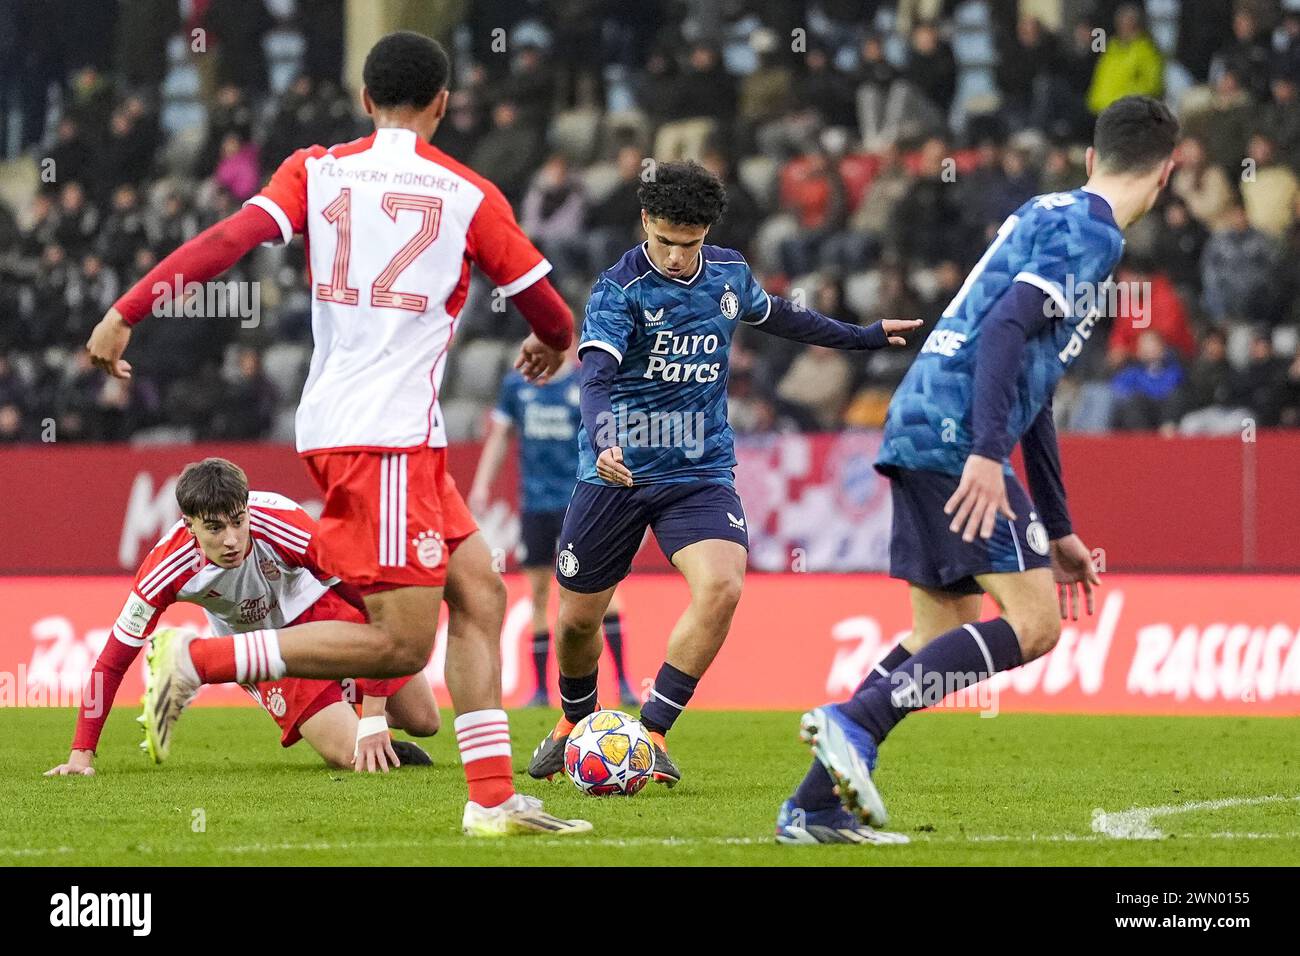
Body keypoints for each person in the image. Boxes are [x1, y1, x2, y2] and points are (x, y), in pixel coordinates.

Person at [83, 31, 587, 837]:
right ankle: (204, 658)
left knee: (481, 592)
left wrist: (124, 311)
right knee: (398, 647)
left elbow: (223, 244)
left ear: (364, 100)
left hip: (374, 432)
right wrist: (554, 344)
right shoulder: (468, 192)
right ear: (443, 105)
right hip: (382, 436)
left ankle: (493, 799)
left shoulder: (314, 170)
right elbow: (552, 311)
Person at [775, 95, 1179, 845]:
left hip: (923, 415)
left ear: (1092, 159)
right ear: (1167, 175)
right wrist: (987, 454)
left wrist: (1057, 527)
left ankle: (812, 808)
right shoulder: (1093, 236)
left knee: (942, 631)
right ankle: (851, 723)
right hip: (959, 432)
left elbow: (1039, 383)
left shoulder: (1045, 210)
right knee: (1035, 626)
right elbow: (1003, 327)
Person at [525, 160, 921, 789]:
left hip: (700, 470)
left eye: (692, 244)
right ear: (645, 222)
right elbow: (596, 378)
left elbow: (784, 316)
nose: (680, 258)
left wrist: (863, 336)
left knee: (723, 587)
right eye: (667, 243)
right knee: (575, 622)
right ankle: (574, 722)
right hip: (616, 473)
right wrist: (604, 443)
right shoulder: (617, 291)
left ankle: (651, 733)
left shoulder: (730, 273)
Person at [45, 458, 436, 776]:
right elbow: (111, 663)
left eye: (238, 521)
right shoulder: (165, 567)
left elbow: (374, 610)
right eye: (214, 528)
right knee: (351, 757)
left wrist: (373, 718)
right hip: (264, 650)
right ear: (189, 525)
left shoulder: (288, 526)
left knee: (425, 719)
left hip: (322, 609)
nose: (231, 539)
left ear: (247, 508)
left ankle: (348, 692)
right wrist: (82, 753)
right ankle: (346, 709)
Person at [469, 345, 638, 709]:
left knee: (603, 589)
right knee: (540, 595)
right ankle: (542, 692)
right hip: (535, 506)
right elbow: (500, 436)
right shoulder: (517, 386)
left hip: (582, 501)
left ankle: (623, 682)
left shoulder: (584, 384)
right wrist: (482, 484)